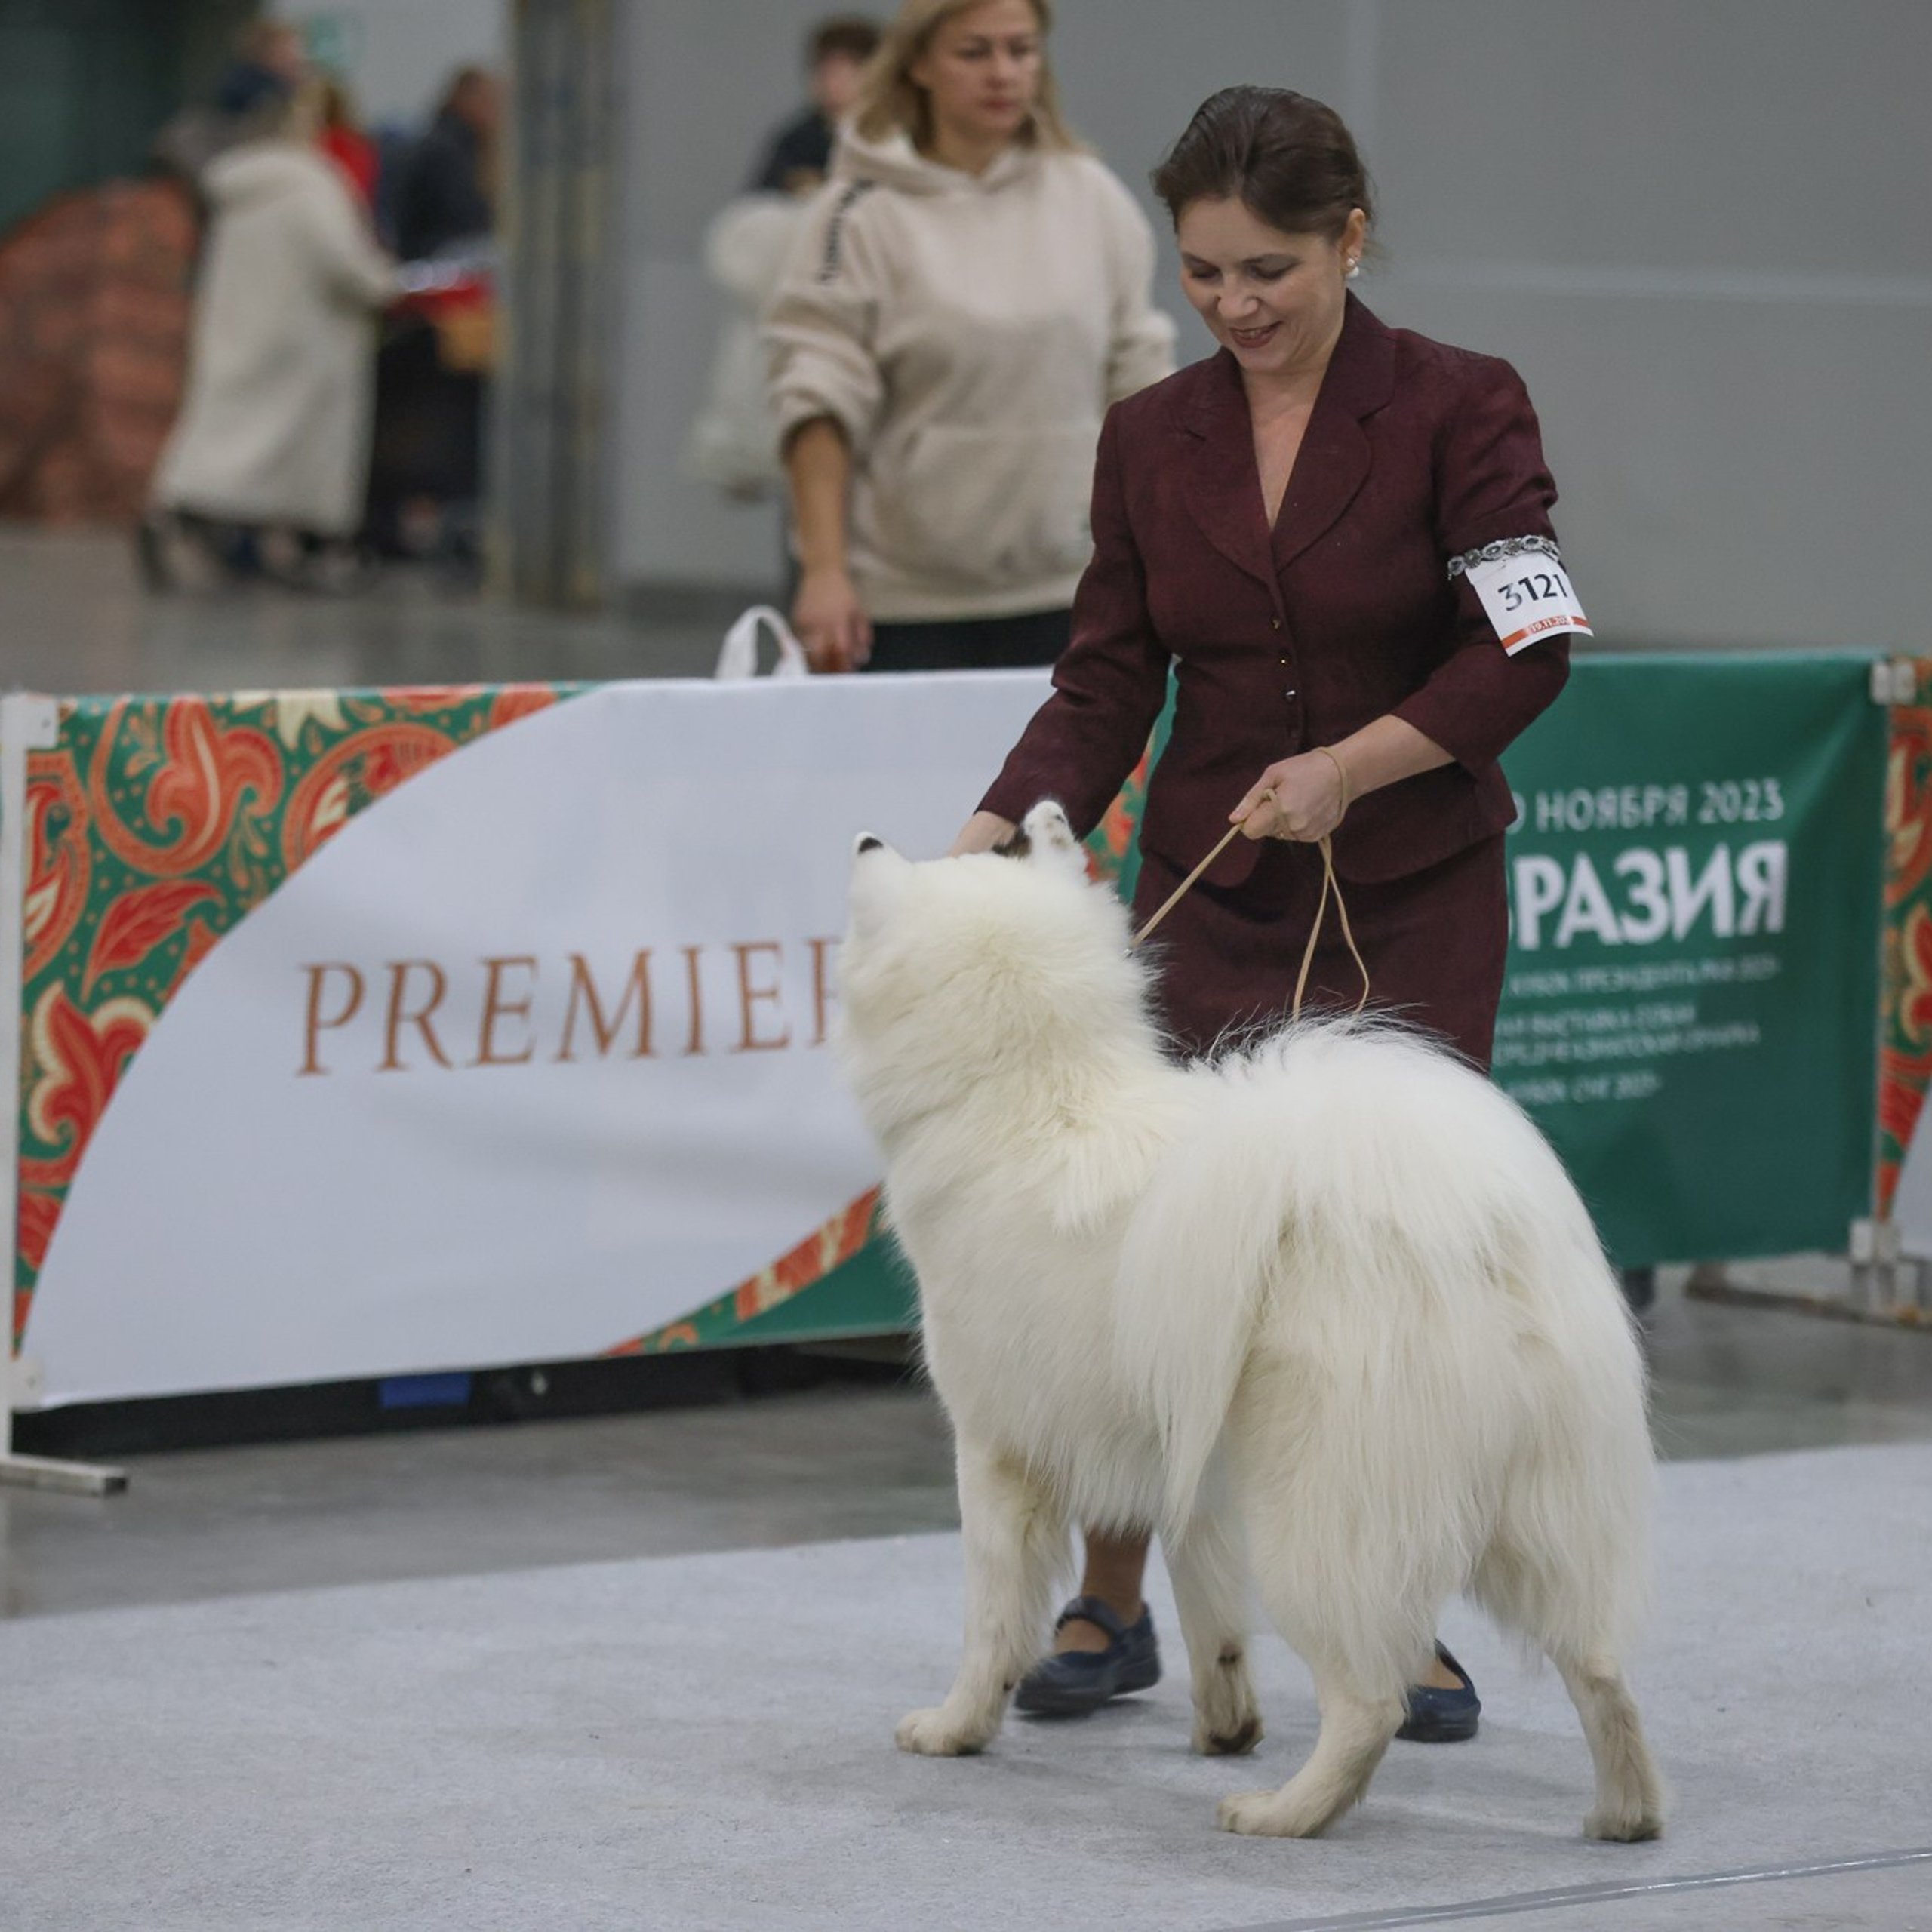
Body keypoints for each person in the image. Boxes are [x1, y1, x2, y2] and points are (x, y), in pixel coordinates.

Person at [952, 86, 1583, 1740]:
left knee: (1386, 1275)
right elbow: (1103, 677)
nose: (1232, 306)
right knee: (1145, 1250)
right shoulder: (1146, 435)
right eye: (1205, 272)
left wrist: (1354, 766)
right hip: (1205, 902)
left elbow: (1523, 646)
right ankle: (1111, 1590)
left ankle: (1399, 1614)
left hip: (1408, 901)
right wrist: (999, 826)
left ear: (1349, 239)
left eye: (1270, 272)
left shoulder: (1459, 404)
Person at [764, 0, 1175, 674]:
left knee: (1060, 784)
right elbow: (816, 402)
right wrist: (824, 571)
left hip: (1069, 589)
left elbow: (1140, 382)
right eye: (974, 52)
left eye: (1021, 50)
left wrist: (1162, 555)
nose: (1003, 74)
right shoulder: (856, 213)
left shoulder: (1091, 197)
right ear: (919, 63)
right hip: (902, 605)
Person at [141, 80, 398, 591]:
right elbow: (345, 263)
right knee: (285, 455)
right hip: (304, 342)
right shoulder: (313, 185)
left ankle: (182, 516)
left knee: (223, 437)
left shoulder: (237, 187)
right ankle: (297, 547)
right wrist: (387, 282)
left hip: (238, 329)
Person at [748, 16, 881, 197]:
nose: (832, 85)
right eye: (824, 73)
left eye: (845, 74)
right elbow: (762, 201)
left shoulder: (893, 134)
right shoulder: (797, 140)